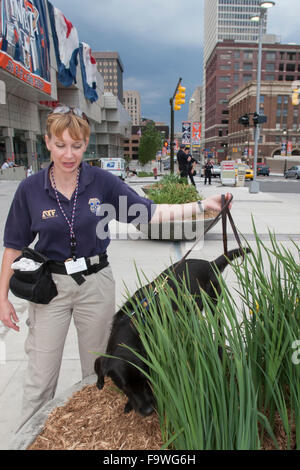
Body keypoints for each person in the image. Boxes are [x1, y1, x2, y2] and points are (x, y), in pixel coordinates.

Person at [0, 106, 232, 431]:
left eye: (77, 146)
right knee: (39, 379)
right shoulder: (30, 190)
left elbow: (147, 213)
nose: (69, 154)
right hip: (49, 287)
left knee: (93, 374)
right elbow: (13, 244)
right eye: (61, 145)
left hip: (95, 285)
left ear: (85, 144)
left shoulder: (102, 184)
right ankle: (27, 436)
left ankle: (88, 435)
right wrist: (3, 298)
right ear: (48, 142)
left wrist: (199, 206)